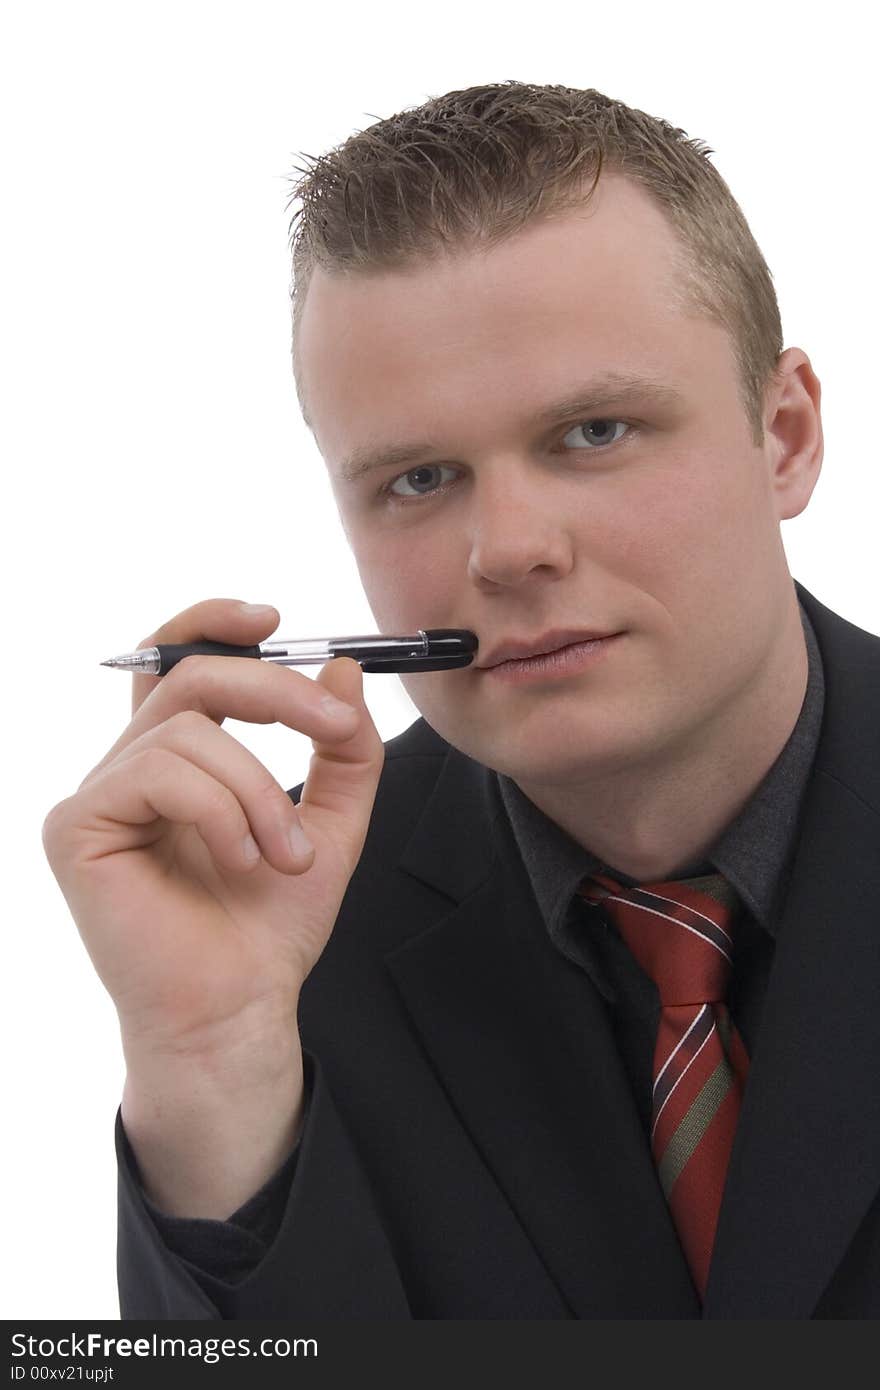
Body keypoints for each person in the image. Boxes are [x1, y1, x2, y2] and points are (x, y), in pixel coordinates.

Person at [42, 80, 880, 1320]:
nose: (508, 549)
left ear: (785, 434)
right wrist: (207, 1074)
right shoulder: (275, 933)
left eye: (594, 431)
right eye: (418, 476)